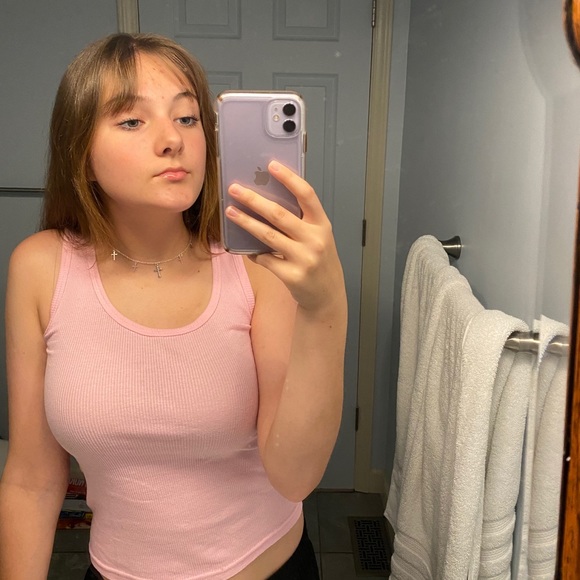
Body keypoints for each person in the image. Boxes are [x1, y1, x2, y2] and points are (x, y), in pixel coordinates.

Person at [0, 33, 347, 580]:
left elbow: (295, 475)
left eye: (187, 118)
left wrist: (325, 308)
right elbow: (32, 479)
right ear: (80, 155)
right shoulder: (39, 268)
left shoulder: (255, 267)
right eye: (131, 121)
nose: (172, 140)